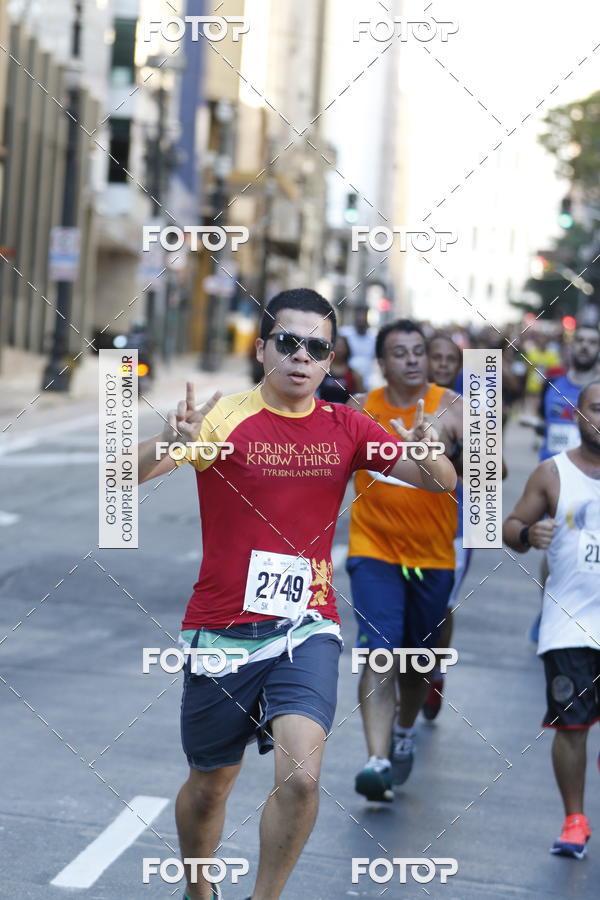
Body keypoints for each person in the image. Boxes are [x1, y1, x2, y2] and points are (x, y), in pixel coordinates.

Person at [136, 290, 457, 900]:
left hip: (305, 625)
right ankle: (199, 888)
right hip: (222, 628)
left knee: (304, 778)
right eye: (288, 342)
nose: (301, 355)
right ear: (262, 350)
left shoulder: (347, 424)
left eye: (317, 346)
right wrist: (169, 437)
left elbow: (438, 485)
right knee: (211, 784)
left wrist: (431, 451)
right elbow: (124, 474)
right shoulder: (224, 416)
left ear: (329, 358)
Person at [346, 319, 462, 801]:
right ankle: (376, 760)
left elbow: (492, 471)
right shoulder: (360, 411)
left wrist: (439, 452)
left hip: (432, 555)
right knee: (380, 649)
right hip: (373, 549)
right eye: (400, 352)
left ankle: (404, 732)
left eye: (418, 350)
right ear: (382, 362)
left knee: (418, 660)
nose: (413, 359)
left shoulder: (454, 408)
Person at [503, 381, 600, 860]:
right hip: (569, 624)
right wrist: (528, 532)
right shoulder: (552, 473)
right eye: (597, 409)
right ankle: (575, 820)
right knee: (572, 727)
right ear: (577, 416)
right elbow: (509, 528)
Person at [524, 324, 600, 642]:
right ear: (571, 346)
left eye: (591, 342)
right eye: (580, 340)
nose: (584, 347)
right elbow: (539, 418)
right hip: (556, 481)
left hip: (591, 479)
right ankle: (551, 609)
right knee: (555, 549)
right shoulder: (552, 384)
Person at [423, 333, 469, 719]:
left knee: (443, 604)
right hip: (404, 522)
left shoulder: (467, 408)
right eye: (432, 356)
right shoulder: (401, 402)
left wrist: (455, 454)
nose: (440, 364)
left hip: (453, 525)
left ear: (457, 368)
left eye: (448, 360)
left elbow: (496, 471)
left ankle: (435, 672)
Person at [317, 334, 364, 403]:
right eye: (337, 345)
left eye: (342, 346)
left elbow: (360, 400)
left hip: (345, 412)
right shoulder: (321, 371)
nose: (339, 349)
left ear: (347, 348)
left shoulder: (354, 375)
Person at [339, 305, 376, 390]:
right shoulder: (344, 333)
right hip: (345, 382)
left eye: (364, 316)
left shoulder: (374, 338)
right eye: (359, 316)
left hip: (366, 383)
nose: (361, 319)